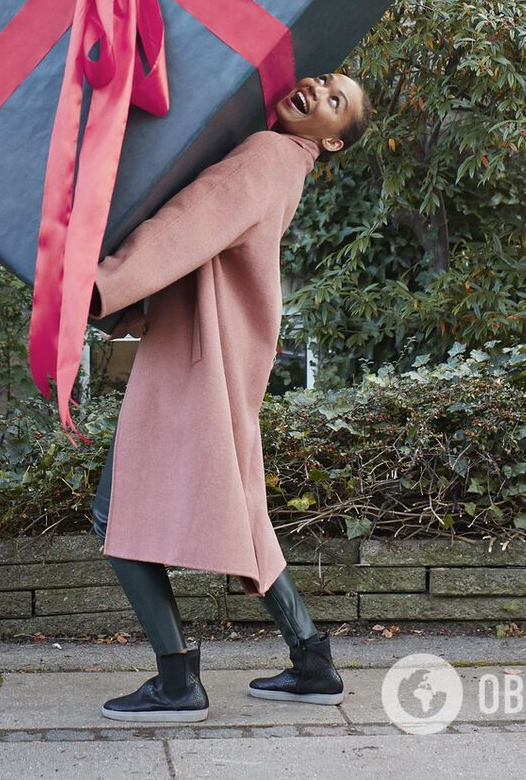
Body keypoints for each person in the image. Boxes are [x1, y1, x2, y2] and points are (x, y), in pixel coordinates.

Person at [85, 69, 369, 724]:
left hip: (200, 359)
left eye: (334, 102)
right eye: (325, 81)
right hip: (226, 356)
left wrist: (100, 288)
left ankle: (177, 678)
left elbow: (190, 221)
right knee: (241, 507)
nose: (317, 90)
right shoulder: (284, 162)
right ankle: (312, 659)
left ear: (332, 142)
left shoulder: (267, 153)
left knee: (115, 514)